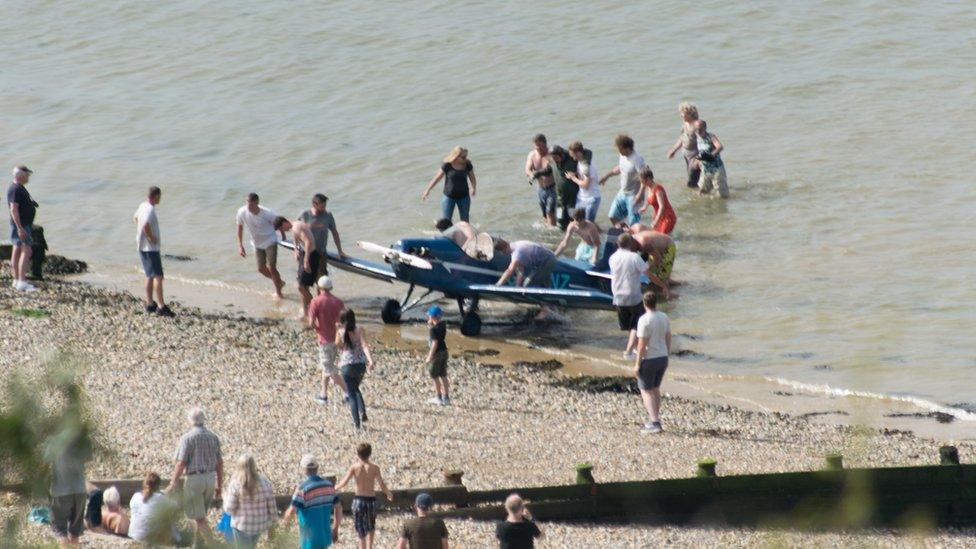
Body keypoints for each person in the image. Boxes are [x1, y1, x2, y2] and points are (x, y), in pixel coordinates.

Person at [166, 407, 223, 547]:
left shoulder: (187, 438)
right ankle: (197, 544)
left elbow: (181, 463)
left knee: (198, 517)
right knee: (201, 514)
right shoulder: (213, 437)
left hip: (194, 479)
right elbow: (220, 463)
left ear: (190, 420)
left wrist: (173, 482)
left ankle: (212, 544)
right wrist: (219, 485)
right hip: (210, 478)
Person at [335, 443, 394, 549]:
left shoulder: (354, 467)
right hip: (371, 500)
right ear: (370, 454)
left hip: (359, 500)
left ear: (358, 454)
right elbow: (382, 484)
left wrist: (334, 488)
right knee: (371, 525)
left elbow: (344, 482)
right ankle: (369, 547)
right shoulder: (375, 468)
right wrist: (388, 493)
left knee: (360, 527)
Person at [282, 454, 343, 549]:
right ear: (317, 468)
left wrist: (284, 529)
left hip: (309, 540)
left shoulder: (302, 488)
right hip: (325, 536)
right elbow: (338, 508)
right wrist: (335, 529)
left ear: (303, 469)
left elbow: (291, 512)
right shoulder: (329, 486)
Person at [45, 432, 91, 547]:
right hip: (80, 490)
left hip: (61, 490)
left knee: (61, 531)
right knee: (75, 532)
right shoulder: (83, 440)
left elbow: (45, 462)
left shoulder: (54, 440)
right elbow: (88, 459)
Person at [634, 291, 672, 433]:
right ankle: (655, 417)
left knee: (645, 390)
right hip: (662, 357)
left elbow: (641, 344)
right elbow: (668, 336)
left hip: (649, 358)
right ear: (656, 302)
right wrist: (667, 353)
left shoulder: (644, 320)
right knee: (655, 388)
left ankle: (655, 422)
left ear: (644, 303)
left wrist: (637, 363)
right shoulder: (664, 317)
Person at [236, 193, 285, 299]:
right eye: (247, 203)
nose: (249, 207)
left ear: (257, 202)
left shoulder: (267, 213)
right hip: (256, 243)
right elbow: (240, 228)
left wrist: (284, 237)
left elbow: (279, 223)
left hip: (270, 241)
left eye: (251, 205)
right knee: (261, 269)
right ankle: (279, 282)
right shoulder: (242, 212)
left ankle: (279, 293)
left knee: (272, 267)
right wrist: (240, 245)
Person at [308, 275, 348, 405]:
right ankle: (323, 394)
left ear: (319, 287)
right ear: (330, 287)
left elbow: (311, 322)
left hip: (324, 339)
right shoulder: (339, 302)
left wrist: (317, 328)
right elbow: (344, 321)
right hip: (337, 338)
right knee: (327, 366)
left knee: (329, 368)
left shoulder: (316, 301)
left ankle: (348, 392)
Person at [223, 454, 278, 548]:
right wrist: (273, 523)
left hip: (242, 525)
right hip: (259, 524)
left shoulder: (236, 484)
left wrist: (225, 497)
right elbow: (272, 507)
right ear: (254, 466)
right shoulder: (265, 482)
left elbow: (229, 509)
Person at [133, 186, 173, 316]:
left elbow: (135, 219)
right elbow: (145, 225)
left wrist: (142, 233)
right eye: (159, 196)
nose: (160, 199)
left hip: (141, 246)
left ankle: (150, 303)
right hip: (150, 248)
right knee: (158, 276)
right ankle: (161, 306)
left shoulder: (142, 206)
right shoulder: (149, 209)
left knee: (149, 275)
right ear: (156, 196)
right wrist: (151, 238)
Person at [609, 233, 648, 359]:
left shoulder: (612, 258)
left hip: (617, 296)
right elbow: (647, 273)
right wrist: (663, 285)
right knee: (636, 325)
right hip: (633, 295)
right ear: (630, 243)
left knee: (629, 327)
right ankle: (629, 351)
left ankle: (636, 348)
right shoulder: (634, 257)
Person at [273, 216, 318, 320]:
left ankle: (316, 308)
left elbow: (308, 242)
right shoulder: (295, 225)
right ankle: (305, 313)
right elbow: (296, 238)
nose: (282, 231)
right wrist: (296, 250)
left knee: (300, 286)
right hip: (305, 255)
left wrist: (306, 260)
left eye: (281, 229)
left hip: (311, 256)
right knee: (303, 287)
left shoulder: (296, 227)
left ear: (284, 223)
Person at [336, 309, 373, 429]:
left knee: (351, 394)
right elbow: (364, 345)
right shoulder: (359, 329)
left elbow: (339, 345)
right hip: (360, 365)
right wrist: (370, 360)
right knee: (356, 388)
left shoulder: (340, 332)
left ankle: (356, 424)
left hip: (346, 365)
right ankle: (362, 412)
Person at [599, 134, 646, 227]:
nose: (618, 151)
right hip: (623, 192)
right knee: (612, 216)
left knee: (634, 224)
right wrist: (607, 176)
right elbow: (621, 168)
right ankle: (625, 233)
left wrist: (639, 195)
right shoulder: (622, 155)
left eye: (619, 149)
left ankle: (634, 237)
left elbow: (644, 178)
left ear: (627, 148)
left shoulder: (638, 159)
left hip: (634, 196)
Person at [298, 193, 348, 280]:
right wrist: (296, 248)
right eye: (322, 207)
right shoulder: (305, 214)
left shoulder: (328, 215)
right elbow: (296, 230)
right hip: (306, 252)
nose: (324, 208)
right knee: (304, 280)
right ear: (314, 204)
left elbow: (334, 233)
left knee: (321, 278)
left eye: (325, 206)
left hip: (321, 252)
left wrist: (340, 251)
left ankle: (320, 294)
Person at [421, 146, 477, 222]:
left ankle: (465, 233)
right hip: (449, 197)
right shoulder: (447, 165)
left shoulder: (467, 164)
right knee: (446, 221)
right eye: (463, 157)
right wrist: (427, 190)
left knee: (465, 221)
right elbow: (436, 178)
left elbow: (472, 179)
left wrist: (473, 188)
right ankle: (446, 233)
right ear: (456, 156)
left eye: (466, 156)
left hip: (464, 197)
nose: (465, 158)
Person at [7, 165, 39, 292]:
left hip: (21, 224)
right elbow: (13, 209)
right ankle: (22, 281)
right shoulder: (15, 189)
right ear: (20, 175)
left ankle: (16, 280)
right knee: (27, 251)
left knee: (17, 250)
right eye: (27, 174)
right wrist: (20, 228)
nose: (28, 177)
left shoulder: (18, 188)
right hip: (22, 224)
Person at [129, 472, 182, 546]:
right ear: (158, 486)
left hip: (133, 535)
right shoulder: (160, 498)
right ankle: (178, 540)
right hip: (148, 537)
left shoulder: (135, 496)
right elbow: (177, 506)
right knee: (167, 517)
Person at [631, 227, 675, 298]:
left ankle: (669, 298)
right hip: (655, 249)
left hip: (668, 246)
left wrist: (646, 269)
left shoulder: (643, 243)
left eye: (631, 250)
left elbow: (658, 259)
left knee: (662, 277)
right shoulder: (631, 239)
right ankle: (681, 284)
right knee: (653, 275)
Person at [666, 102, 701, 188]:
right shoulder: (685, 125)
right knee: (691, 176)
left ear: (690, 114)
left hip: (695, 155)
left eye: (683, 113)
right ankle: (698, 190)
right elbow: (682, 138)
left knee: (692, 179)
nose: (681, 115)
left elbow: (704, 142)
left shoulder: (697, 126)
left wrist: (699, 158)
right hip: (686, 155)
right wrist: (673, 150)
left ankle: (697, 194)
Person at [524, 134, 556, 227]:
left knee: (550, 212)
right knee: (545, 214)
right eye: (536, 147)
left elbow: (548, 171)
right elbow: (527, 170)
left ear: (545, 144)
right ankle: (549, 229)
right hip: (541, 189)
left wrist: (536, 173)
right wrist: (531, 175)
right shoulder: (532, 154)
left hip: (553, 188)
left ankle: (553, 233)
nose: (539, 149)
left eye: (541, 147)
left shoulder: (551, 154)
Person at [565, 142, 600, 223]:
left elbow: (586, 185)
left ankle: (599, 234)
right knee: (578, 222)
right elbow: (581, 174)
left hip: (592, 199)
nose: (572, 157)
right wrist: (575, 174)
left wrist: (573, 178)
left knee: (588, 224)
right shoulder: (580, 163)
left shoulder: (588, 167)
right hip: (581, 198)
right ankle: (600, 232)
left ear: (578, 153)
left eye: (573, 154)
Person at [694, 120, 729, 198]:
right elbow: (699, 152)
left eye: (700, 128)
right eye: (696, 129)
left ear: (705, 128)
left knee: (722, 194)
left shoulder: (710, 137)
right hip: (705, 169)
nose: (698, 131)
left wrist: (711, 155)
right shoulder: (696, 138)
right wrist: (697, 161)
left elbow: (720, 147)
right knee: (702, 192)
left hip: (717, 169)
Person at [636, 166, 676, 234]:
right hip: (658, 215)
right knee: (658, 236)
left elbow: (661, 207)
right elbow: (650, 199)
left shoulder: (658, 189)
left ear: (648, 179)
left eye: (642, 181)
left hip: (667, 217)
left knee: (662, 237)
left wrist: (656, 221)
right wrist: (645, 207)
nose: (641, 183)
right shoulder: (649, 188)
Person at [424, 306, 450, 406]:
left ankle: (438, 397)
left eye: (430, 316)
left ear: (433, 317)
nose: (428, 318)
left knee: (434, 375)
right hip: (444, 351)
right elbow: (438, 333)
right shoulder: (443, 326)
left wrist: (430, 356)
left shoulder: (433, 330)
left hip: (437, 353)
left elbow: (435, 343)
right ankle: (446, 397)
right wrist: (431, 326)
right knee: (443, 374)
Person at [549, 146, 579, 230]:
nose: (554, 160)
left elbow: (587, 153)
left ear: (561, 155)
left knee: (573, 219)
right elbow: (547, 170)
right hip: (560, 200)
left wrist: (575, 174)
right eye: (552, 158)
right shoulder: (553, 163)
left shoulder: (572, 161)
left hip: (572, 199)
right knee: (560, 220)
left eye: (555, 157)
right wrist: (536, 174)